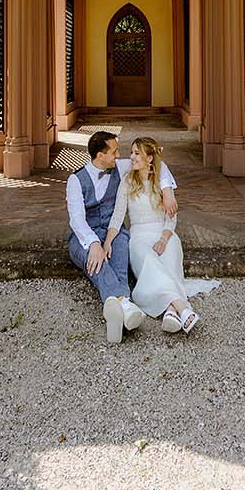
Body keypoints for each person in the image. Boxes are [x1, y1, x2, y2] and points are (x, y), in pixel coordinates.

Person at [67, 130, 178, 344]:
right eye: (115, 152)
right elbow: (77, 220)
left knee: (119, 265)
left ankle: (118, 310)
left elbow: (154, 162)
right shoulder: (75, 180)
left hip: (113, 232)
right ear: (100, 155)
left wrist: (167, 190)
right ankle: (124, 303)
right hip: (84, 236)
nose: (119, 156)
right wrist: (93, 244)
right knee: (99, 263)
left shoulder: (119, 167)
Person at [107, 136, 218, 333]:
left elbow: (171, 218)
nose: (131, 157)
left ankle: (169, 310)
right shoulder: (127, 181)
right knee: (149, 260)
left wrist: (164, 239)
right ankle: (182, 309)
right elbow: (117, 216)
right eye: (131, 152)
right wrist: (108, 241)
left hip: (164, 233)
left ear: (149, 159)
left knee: (168, 262)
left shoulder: (162, 182)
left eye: (136, 153)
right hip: (139, 236)